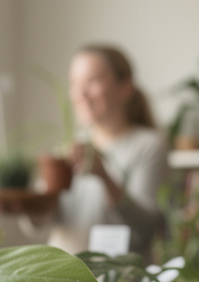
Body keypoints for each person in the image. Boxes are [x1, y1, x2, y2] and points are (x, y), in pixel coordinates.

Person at [49, 44, 170, 259]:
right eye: (74, 83)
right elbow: (49, 220)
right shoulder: (71, 148)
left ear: (125, 87)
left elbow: (147, 229)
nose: (80, 93)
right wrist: (30, 207)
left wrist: (104, 176)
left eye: (92, 81)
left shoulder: (148, 146)